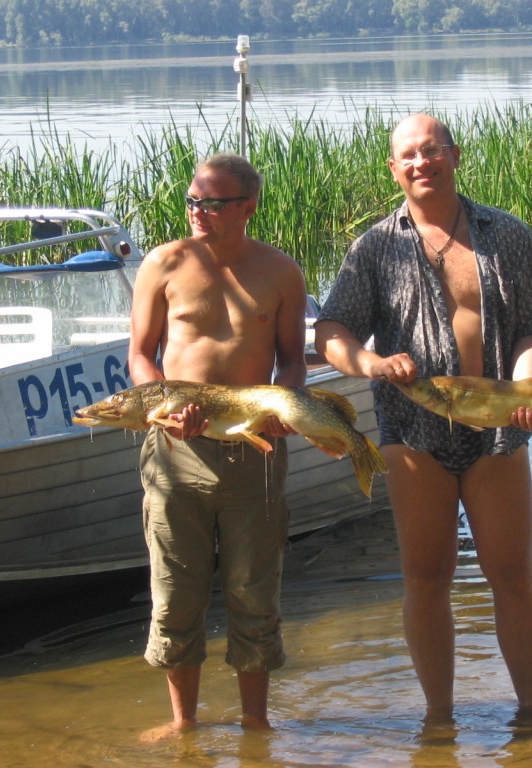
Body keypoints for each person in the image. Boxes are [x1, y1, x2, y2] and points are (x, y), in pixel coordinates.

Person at [314, 114, 532, 724]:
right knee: (426, 579)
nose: (421, 162)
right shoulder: (375, 247)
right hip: (412, 432)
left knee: (513, 576)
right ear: (393, 170)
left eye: (432, 150)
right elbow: (331, 332)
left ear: (454, 155)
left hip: (499, 429)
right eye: (409, 156)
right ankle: (439, 721)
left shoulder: (506, 234)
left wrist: (528, 388)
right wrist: (371, 363)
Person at [128, 152, 309, 739]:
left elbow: (293, 362)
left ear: (247, 207)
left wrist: (283, 405)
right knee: (175, 593)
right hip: (175, 451)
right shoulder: (163, 264)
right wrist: (161, 410)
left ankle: (256, 724)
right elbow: (141, 356)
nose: (197, 211)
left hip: (255, 450)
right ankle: (183, 725)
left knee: (254, 590)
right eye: (192, 201)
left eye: (212, 203)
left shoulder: (280, 271)